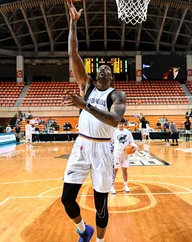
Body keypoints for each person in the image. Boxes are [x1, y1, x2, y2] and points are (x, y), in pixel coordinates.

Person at [61, 1, 127, 241]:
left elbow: (114, 121)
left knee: (101, 204)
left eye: (107, 68)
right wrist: (72, 23)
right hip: (81, 145)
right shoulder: (86, 85)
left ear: (112, 76)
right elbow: (72, 53)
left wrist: (85, 106)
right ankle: (83, 231)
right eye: (100, 67)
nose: (102, 69)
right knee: (67, 198)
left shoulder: (117, 95)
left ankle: (99, 240)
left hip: (102, 149)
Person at [111, 118, 137, 194]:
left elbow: (132, 142)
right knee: (115, 170)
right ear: (117, 124)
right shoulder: (114, 132)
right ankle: (111, 186)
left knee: (124, 170)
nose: (120, 125)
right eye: (119, 123)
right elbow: (111, 142)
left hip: (125, 154)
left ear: (124, 124)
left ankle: (125, 185)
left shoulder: (128, 132)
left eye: (122, 123)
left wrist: (134, 147)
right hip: (117, 154)